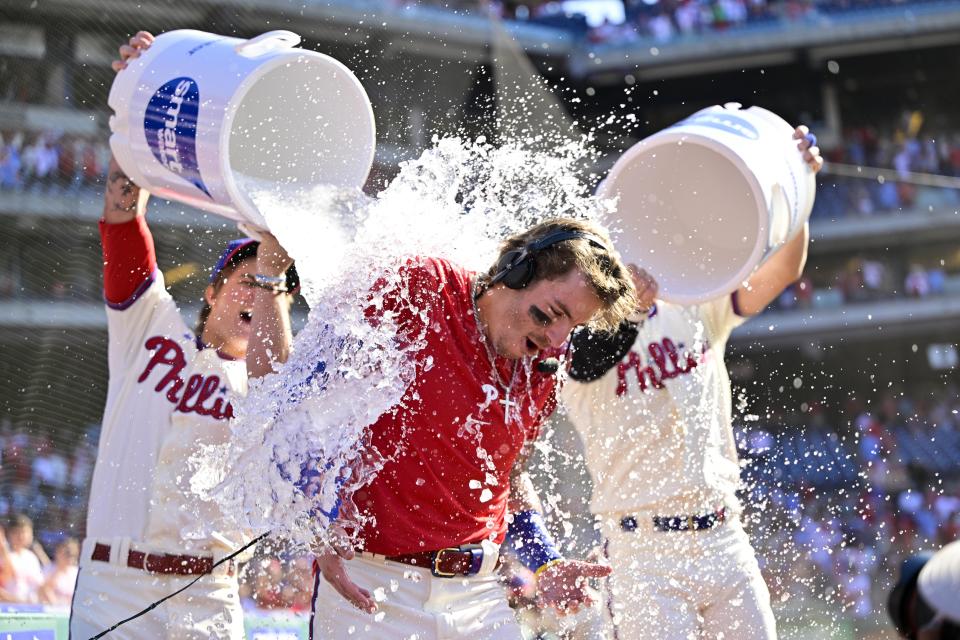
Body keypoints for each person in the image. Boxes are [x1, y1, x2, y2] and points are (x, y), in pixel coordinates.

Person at [249, 220, 638, 638]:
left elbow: (506, 477)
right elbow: (285, 394)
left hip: (480, 596)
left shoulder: (542, 367)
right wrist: (317, 522)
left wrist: (545, 559)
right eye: (556, 312)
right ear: (517, 269)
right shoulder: (420, 286)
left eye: (572, 326)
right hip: (371, 590)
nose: (558, 336)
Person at [69, 32, 298, 640]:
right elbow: (122, 219)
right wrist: (141, 91)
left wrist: (277, 265)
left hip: (210, 596)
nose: (259, 294)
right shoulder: (148, 323)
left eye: (275, 288)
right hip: (115, 587)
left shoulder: (273, 380)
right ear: (213, 291)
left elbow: (280, 385)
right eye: (248, 281)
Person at [561, 129, 823, 639]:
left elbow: (782, 272)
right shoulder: (575, 332)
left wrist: (797, 187)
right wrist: (629, 310)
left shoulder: (695, 298)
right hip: (643, 552)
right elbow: (586, 363)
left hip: (724, 534)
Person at [0, 515, 45, 603]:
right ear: (9, 534)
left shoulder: (31, 557)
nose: (21, 536)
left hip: (29, 608)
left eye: (24, 532)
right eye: (17, 532)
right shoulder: (3, 557)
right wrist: (17, 601)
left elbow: (40, 586)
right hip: (6, 608)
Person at [39, 538, 80, 606]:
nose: (69, 555)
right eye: (67, 552)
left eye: (72, 554)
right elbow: (42, 591)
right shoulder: (47, 569)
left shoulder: (76, 572)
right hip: (53, 612)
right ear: (58, 551)